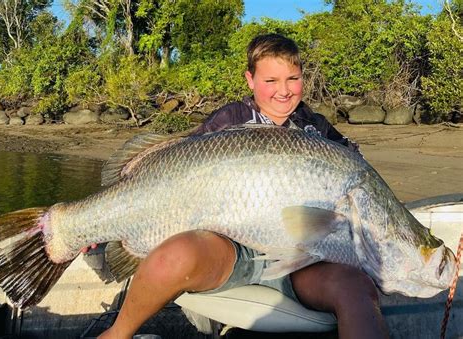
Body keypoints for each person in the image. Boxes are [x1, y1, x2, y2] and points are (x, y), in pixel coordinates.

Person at [98, 33, 389, 339]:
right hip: (229, 249)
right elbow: (176, 174)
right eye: (270, 80)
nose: (284, 91)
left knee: (357, 290)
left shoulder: (315, 126)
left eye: (293, 78)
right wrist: (106, 221)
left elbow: (358, 175)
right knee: (174, 255)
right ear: (250, 80)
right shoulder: (229, 119)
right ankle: (115, 334)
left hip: (302, 261)